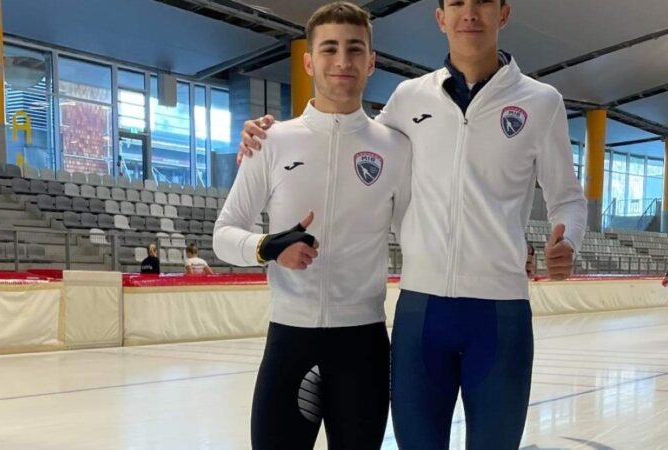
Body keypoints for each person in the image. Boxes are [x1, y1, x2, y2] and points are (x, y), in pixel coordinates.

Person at [238, 0, 587, 447]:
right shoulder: (409, 98)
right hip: (422, 316)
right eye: (456, 3)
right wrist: (266, 137)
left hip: (500, 317)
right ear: (440, 18)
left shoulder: (541, 102)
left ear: (503, 12)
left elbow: (568, 200)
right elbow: (349, 142)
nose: (469, 13)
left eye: (481, 2)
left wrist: (568, 240)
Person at [213, 3, 411, 449]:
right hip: (290, 341)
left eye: (355, 49)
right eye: (330, 49)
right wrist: (268, 246)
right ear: (308, 61)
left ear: (372, 61)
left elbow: (419, 238)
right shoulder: (271, 140)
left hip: (362, 345)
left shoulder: (396, 148)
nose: (343, 61)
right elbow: (224, 234)